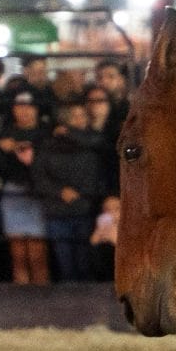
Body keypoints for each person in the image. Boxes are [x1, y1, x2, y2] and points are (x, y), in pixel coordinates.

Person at [35, 100, 108, 283]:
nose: (80, 120)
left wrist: (70, 134)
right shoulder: (49, 145)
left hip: (84, 207)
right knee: (65, 263)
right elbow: (39, 176)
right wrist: (60, 191)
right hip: (57, 210)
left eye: (82, 115)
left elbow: (97, 172)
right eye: (74, 116)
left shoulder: (95, 142)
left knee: (85, 261)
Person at [0, 91, 53, 285]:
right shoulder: (5, 131)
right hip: (14, 191)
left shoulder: (47, 131)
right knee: (17, 254)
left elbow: (52, 164)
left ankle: (43, 303)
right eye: (19, 106)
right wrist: (1, 150)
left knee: (38, 255)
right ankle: (22, 305)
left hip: (39, 192)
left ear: (36, 108)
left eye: (29, 106)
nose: (24, 111)